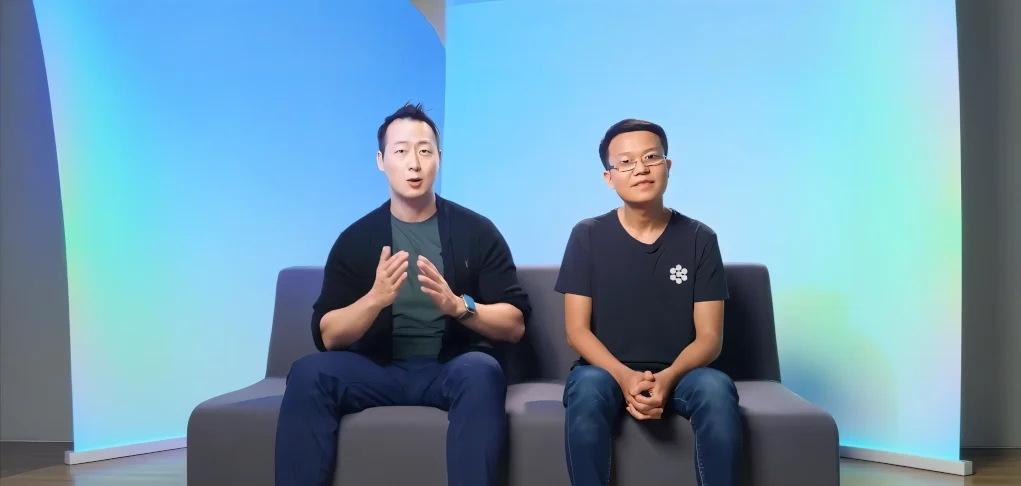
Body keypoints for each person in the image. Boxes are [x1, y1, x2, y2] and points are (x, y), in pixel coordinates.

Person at [274, 103, 531, 486]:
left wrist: (459, 308)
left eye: (425, 151)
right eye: (401, 151)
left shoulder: (477, 232)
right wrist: (374, 299)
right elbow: (328, 334)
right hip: (376, 370)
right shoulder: (356, 239)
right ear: (381, 161)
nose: (414, 163)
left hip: (449, 368)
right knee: (308, 372)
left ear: (439, 159)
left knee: (482, 370)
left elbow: (515, 325)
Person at [555, 119, 742, 486]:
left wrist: (668, 377)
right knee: (588, 389)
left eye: (651, 157)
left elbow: (710, 337)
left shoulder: (700, 239)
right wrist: (624, 377)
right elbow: (576, 331)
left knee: (717, 389)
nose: (640, 169)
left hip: (682, 373)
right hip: (605, 371)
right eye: (625, 162)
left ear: (668, 167)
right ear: (609, 178)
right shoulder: (587, 236)